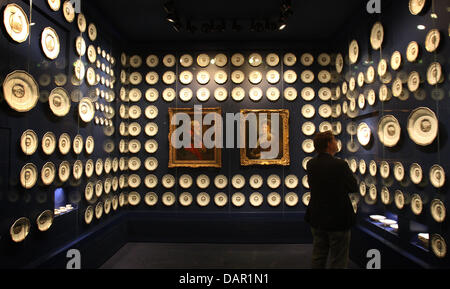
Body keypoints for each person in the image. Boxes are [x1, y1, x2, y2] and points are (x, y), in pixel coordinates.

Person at [305, 131, 358, 269]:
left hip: (317, 217)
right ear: (329, 144)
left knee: (318, 255)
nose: (336, 143)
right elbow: (353, 187)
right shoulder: (340, 165)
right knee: (338, 259)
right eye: (334, 140)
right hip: (338, 219)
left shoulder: (311, 164)